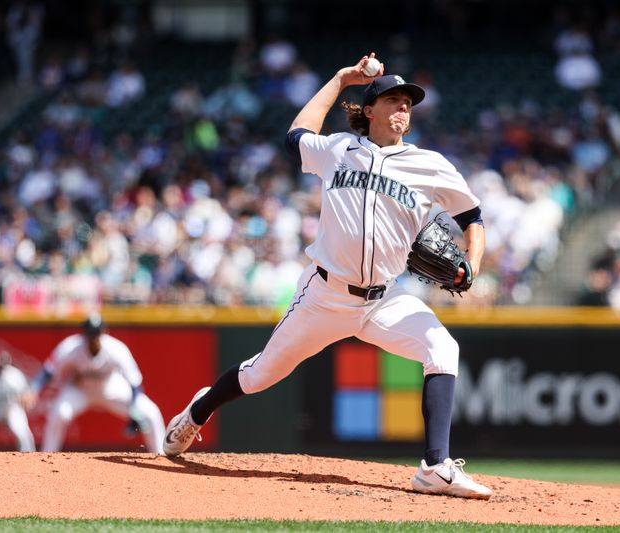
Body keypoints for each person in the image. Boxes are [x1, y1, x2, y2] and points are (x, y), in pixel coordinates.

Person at [162, 54, 492, 500]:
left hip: (383, 300)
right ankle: (197, 412)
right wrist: (339, 80)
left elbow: (472, 215)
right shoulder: (338, 150)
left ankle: (435, 467)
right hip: (324, 296)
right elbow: (295, 136)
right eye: (393, 101)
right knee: (259, 375)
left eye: (408, 104)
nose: (403, 110)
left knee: (442, 348)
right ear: (369, 110)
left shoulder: (430, 165)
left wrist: (473, 261)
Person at [28, 313, 165, 453]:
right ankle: (46, 457)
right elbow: (48, 371)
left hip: (110, 387)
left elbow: (135, 383)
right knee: (59, 413)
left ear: (104, 332)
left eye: (96, 333)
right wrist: (34, 388)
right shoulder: (71, 347)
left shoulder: (116, 348)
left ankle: (161, 455)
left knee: (150, 412)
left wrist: (135, 409)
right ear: (84, 334)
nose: (93, 338)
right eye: (90, 334)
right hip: (79, 389)